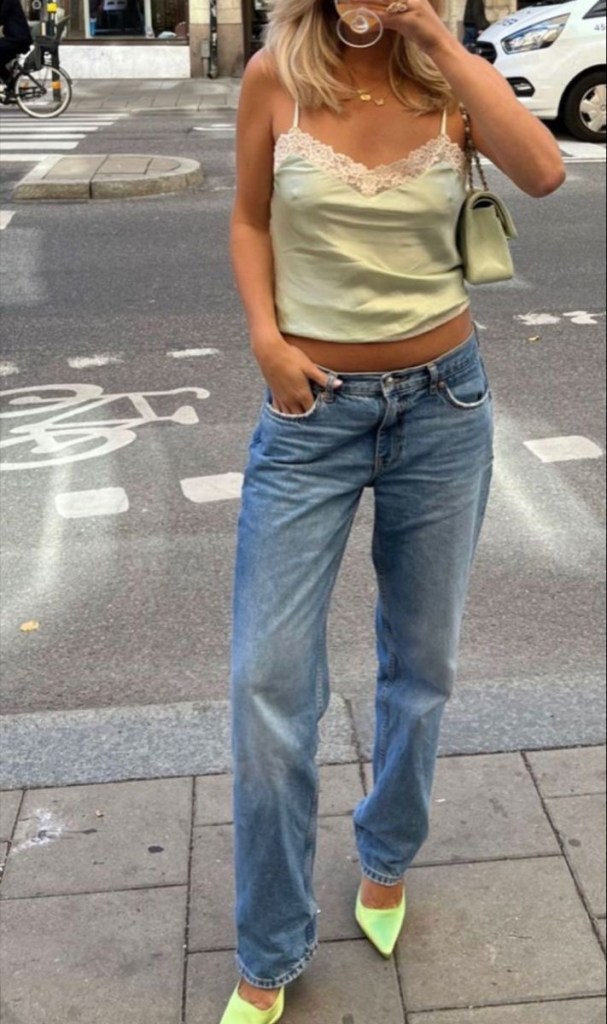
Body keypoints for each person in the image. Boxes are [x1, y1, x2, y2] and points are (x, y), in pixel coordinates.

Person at [225, 0, 565, 1019]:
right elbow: (249, 218)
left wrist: (440, 45)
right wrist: (265, 340)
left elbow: (543, 171)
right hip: (308, 413)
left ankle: (386, 852)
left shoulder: (445, 74)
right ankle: (270, 942)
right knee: (265, 681)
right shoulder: (276, 76)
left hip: (443, 407)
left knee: (422, 663)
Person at [0, 0, 32, 87]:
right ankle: (11, 85)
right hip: (15, 38)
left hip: (18, 39)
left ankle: (10, 83)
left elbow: (1, 15)